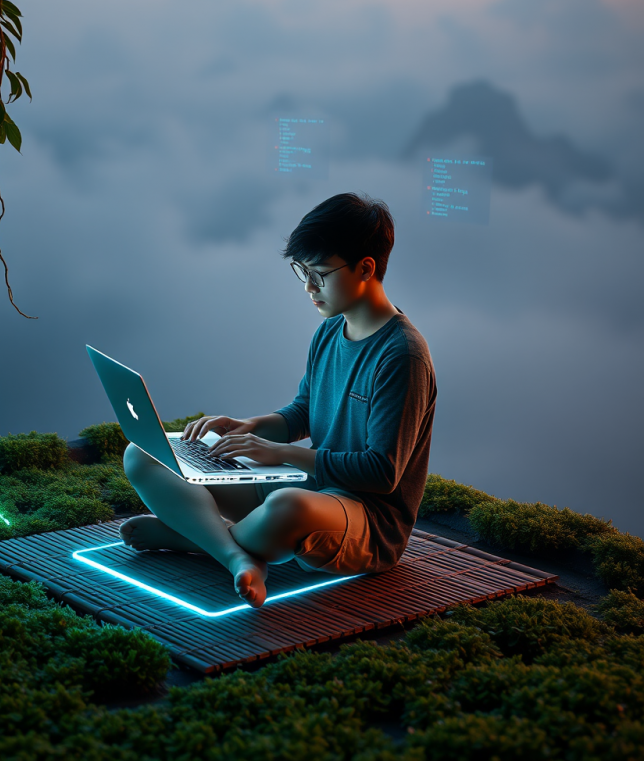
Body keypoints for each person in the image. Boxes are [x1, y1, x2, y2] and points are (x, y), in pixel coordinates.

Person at [121, 192, 437, 609]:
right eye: (302, 272)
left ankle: (196, 537)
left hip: (368, 520)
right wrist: (250, 427)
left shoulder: (403, 355)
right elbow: (304, 411)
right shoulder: (331, 330)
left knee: (288, 506)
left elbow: (382, 472)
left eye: (319, 274)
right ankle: (234, 553)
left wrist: (280, 454)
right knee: (144, 453)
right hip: (313, 484)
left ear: (365, 268)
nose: (308, 287)